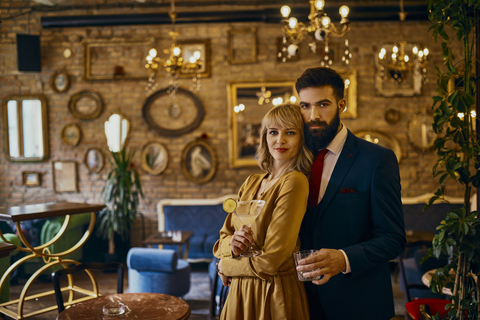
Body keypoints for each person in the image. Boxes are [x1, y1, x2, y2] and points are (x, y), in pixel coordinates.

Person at [294, 67, 406, 320]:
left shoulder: (377, 159)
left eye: (323, 104)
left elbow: (393, 238)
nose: (313, 115)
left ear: (341, 104)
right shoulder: (294, 160)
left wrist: (344, 259)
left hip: (358, 304)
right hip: (298, 303)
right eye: (305, 106)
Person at [213, 103, 313, 320]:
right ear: (264, 137)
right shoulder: (251, 181)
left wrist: (225, 265)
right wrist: (232, 244)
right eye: (273, 132)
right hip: (239, 290)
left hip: (272, 291)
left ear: (301, 139)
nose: (280, 140)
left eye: (291, 133)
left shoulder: (295, 181)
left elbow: (272, 259)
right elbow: (222, 239)